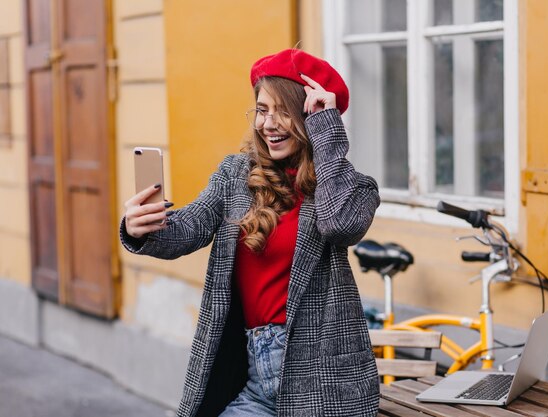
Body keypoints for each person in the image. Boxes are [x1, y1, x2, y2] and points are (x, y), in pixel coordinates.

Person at [120, 48, 380, 417]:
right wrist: (143, 228)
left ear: (312, 118)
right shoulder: (236, 176)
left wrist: (328, 129)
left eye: (284, 112)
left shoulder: (351, 188)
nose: (268, 124)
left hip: (325, 382)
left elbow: (340, 224)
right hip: (256, 377)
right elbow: (189, 226)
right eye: (261, 110)